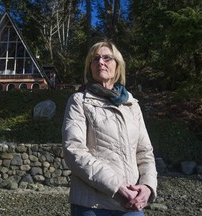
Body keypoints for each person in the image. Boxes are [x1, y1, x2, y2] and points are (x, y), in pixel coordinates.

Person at [62, 41, 157, 216]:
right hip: (92, 205)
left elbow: (145, 153)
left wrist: (147, 187)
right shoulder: (78, 101)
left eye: (107, 58)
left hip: (131, 204)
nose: (100, 62)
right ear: (90, 67)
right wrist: (117, 186)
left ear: (118, 65)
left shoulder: (131, 104)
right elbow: (74, 151)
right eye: (95, 59)